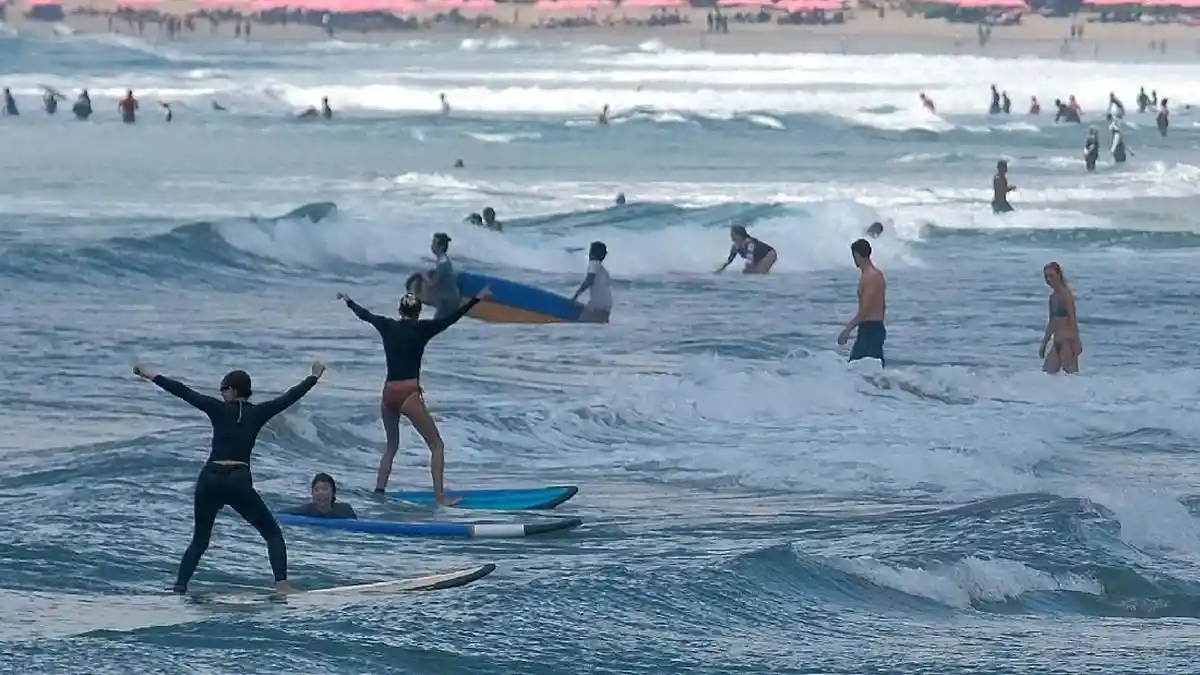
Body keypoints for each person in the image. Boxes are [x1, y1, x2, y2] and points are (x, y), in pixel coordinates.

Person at [132, 361, 326, 594]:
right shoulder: (258, 412)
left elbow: (183, 391)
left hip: (210, 478)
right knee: (272, 534)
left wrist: (149, 375)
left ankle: (180, 586)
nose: (221, 393)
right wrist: (313, 377)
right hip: (237, 480)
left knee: (200, 540)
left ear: (232, 390)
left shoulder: (217, 408)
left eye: (223, 389)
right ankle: (281, 584)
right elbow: (290, 397)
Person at [336, 285, 492, 504]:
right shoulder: (423, 329)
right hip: (408, 394)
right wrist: (476, 299)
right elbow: (451, 318)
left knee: (391, 446)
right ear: (418, 312)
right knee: (437, 446)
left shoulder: (387, 325)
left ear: (400, 310)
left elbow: (366, 315)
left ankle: (378, 493)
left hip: (388, 393)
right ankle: (440, 497)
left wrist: (348, 301)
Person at [837, 239, 887, 367]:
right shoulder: (877, 274)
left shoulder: (869, 277)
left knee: (855, 370)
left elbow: (866, 310)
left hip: (870, 330)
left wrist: (847, 330)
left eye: (854, 256)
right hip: (874, 328)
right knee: (869, 372)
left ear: (858, 255)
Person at [1039, 262, 1082, 374]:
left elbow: (1073, 319)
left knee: (1072, 377)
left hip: (1067, 342)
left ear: (1059, 275)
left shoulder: (1066, 295)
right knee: (1046, 374)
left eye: (1051, 276)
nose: (1048, 279)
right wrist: (1044, 344)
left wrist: (1077, 343)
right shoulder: (1053, 297)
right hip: (1056, 343)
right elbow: (1051, 322)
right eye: (1046, 277)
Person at [283, 473, 357, 519]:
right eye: (316, 490)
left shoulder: (345, 510)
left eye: (325, 489)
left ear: (333, 493)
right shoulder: (306, 510)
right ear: (312, 494)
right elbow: (280, 514)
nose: (320, 493)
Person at [571, 241, 612, 323]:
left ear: (592, 254)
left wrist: (576, 295)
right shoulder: (604, 271)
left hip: (597, 305)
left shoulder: (593, 264)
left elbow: (589, 280)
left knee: (583, 322)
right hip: (607, 304)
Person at [424, 232, 460, 319]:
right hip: (448, 300)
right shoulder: (442, 260)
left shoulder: (443, 263)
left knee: (435, 327)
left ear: (441, 247)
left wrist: (423, 275)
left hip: (449, 302)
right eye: (432, 242)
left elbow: (432, 284)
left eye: (434, 243)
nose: (431, 245)